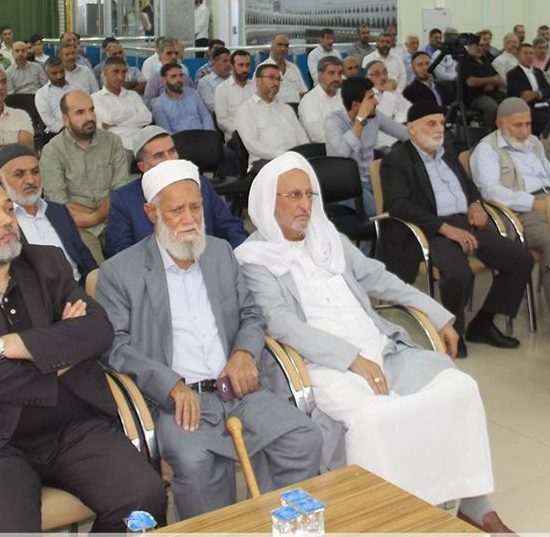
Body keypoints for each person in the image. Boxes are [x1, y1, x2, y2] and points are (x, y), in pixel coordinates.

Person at [236, 153, 508, 532]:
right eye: (293, 195)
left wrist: (438, 314)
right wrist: (351, 359)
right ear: (269, 202)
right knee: (375, 417)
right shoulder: (253, 257)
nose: (305, 205)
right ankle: (388, 518)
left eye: (309, 194)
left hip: (381, 348)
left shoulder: (329, 238)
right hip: (322, 365)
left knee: (460, 388)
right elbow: (280, 323)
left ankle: (474, 504)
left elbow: (378, 278)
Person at [0, 174, 166, 532]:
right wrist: (59, 352)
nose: (6, 220)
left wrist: (12, 345)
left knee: (144, 499)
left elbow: (97, 331)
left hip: (73, 426)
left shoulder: (46, 262)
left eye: (8, 209)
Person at [95, 160, 321, 519]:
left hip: (239, 390)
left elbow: (251, 314)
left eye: (196, 207)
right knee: (195, 461)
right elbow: (114, 347)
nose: (190, 219)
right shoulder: (119, 272)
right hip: (179, 403)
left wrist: (244, 353)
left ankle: (279, 524)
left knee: (303, 436)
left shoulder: (219, 253)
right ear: (152, 213)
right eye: (177, 211)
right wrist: (171, 385)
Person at [380, 103, 535, 353]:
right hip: (429, 230)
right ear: (411, 129)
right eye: (431, 124)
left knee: (521, 259)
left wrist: (475, 203)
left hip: (466, 223)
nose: (439, 129)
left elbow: (468, 184)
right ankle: (454, 331)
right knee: (458, 274)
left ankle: (483, 324)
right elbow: (398, 205)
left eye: (441, 123)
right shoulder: (396, 160)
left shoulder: (447, 151)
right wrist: (444, 228)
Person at [470, 98, 550, 344]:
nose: (524, 130)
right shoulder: (486, 150)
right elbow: (490, 191)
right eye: (517, 125)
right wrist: (533, 204)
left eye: (528, 124)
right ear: (500, 124)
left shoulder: (534, 144)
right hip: (518, 212)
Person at [106, 126, 248, 257]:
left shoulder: (200, 184)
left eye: (172, 151)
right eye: (159, 155)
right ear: (142, 166)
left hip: (207, 264)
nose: (170, 159)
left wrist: (237, 257)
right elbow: (120, 252)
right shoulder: (123, 199)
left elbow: (231, 227)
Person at [0, 145, 98, 292]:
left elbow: (83, 256)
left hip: (79, 290)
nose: (30, 180)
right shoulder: (1, 222)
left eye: (35, 172)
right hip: (39, 298)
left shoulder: (57, 211)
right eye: (19, 174)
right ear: (0, 181)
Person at [40, 91, 131, 242]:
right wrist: (98, 217)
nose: (89, 117)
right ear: (66, 119)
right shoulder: (52, 151)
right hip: (78, 225)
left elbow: (120, 190)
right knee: (91, 256)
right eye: (80, 112)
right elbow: (59, 202)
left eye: (91, 110)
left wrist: (97, 216)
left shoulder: (112, 141)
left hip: (116, 218)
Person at [325, 77, 408, 217]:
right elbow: (343, 153)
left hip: (372, 179)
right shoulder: (333, 121)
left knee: (403, 202)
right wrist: (360, 120)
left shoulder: (374, 116)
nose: (376, 102)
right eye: (370, 98)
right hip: (345, 186)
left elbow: (404, 133)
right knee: (379, 213)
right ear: (356, 105)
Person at [236, 64, 309, 170]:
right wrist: (282, 155)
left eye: (278, 79)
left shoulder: (286, 109)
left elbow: (301, 137)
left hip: (293, 160)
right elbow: (252, 144)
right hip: (265, 162)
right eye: (271, 78)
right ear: (258, 81)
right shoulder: (247, 109)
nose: (276, 83)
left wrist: (304, 154)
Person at [93, 57, 153, 151]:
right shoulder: (95, 98)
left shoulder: (133, 95)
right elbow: (109, 118)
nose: (120, 77)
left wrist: (116, 123)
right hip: (115, 147)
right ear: (105, 73)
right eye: (116, 72)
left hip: (140, 144)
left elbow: (147, 117)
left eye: (123, 72)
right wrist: (133, 114)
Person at [503, 42, 550, 135]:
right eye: (525, 53)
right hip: (530, 109)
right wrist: (539, 94)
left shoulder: (538, 72)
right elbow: (523, 96)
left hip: (546, 106)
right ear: (518, 55)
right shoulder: (513, 74)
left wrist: (536, 93)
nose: (529, 56)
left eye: (531, 53)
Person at [151, 63, 213, 133]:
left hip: (202, 135)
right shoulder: (159, 105)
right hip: (179, 138)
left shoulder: (193, 93)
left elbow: (205, 116)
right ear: (164, 80)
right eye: (173, 76)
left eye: (180, 75)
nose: (179, 79)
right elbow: (166, 132)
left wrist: (208, 134)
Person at [297, 56, 344, 143]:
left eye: (340, 73)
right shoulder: (309, 101)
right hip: (323, 149)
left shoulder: (345, 94)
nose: (337, 78)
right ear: (320, 75)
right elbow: (318, 136)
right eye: (331, 73)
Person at [458, 39, 502, 127]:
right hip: (475, 97)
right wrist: (491, 80)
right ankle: (489, 132)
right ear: (469, 46)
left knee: (510, 104)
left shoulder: (486, 60)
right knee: (492, 108)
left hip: (493, 94)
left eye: (481, 46)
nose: (479, 48)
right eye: (476, 45)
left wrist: (491, 82)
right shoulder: (465, 62)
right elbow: (471, 82)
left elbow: (498, 77)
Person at [214, 50, 255, 140]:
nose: (245, 69)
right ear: (232, 66)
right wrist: (243, 132)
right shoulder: (222, 89)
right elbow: (222, 121)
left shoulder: (256, 87)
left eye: (247, 65)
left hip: (258, 135)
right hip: (235, 139)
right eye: (240, 65)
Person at [258, 35, 307, 106]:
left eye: (286, 46)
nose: (283, 49)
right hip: (273, 108)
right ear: (271, 47)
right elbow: (257, 96)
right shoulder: (262, 68)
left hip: (296, 108)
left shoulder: (293, 68)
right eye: (279, 45)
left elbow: (303, 92)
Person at [197, 47, 231, 112]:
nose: (229, 64)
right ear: (214, 62)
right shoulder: (205, 82)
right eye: (225, 61)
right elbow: (213, 106)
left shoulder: (235, 78)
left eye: (230, 61)